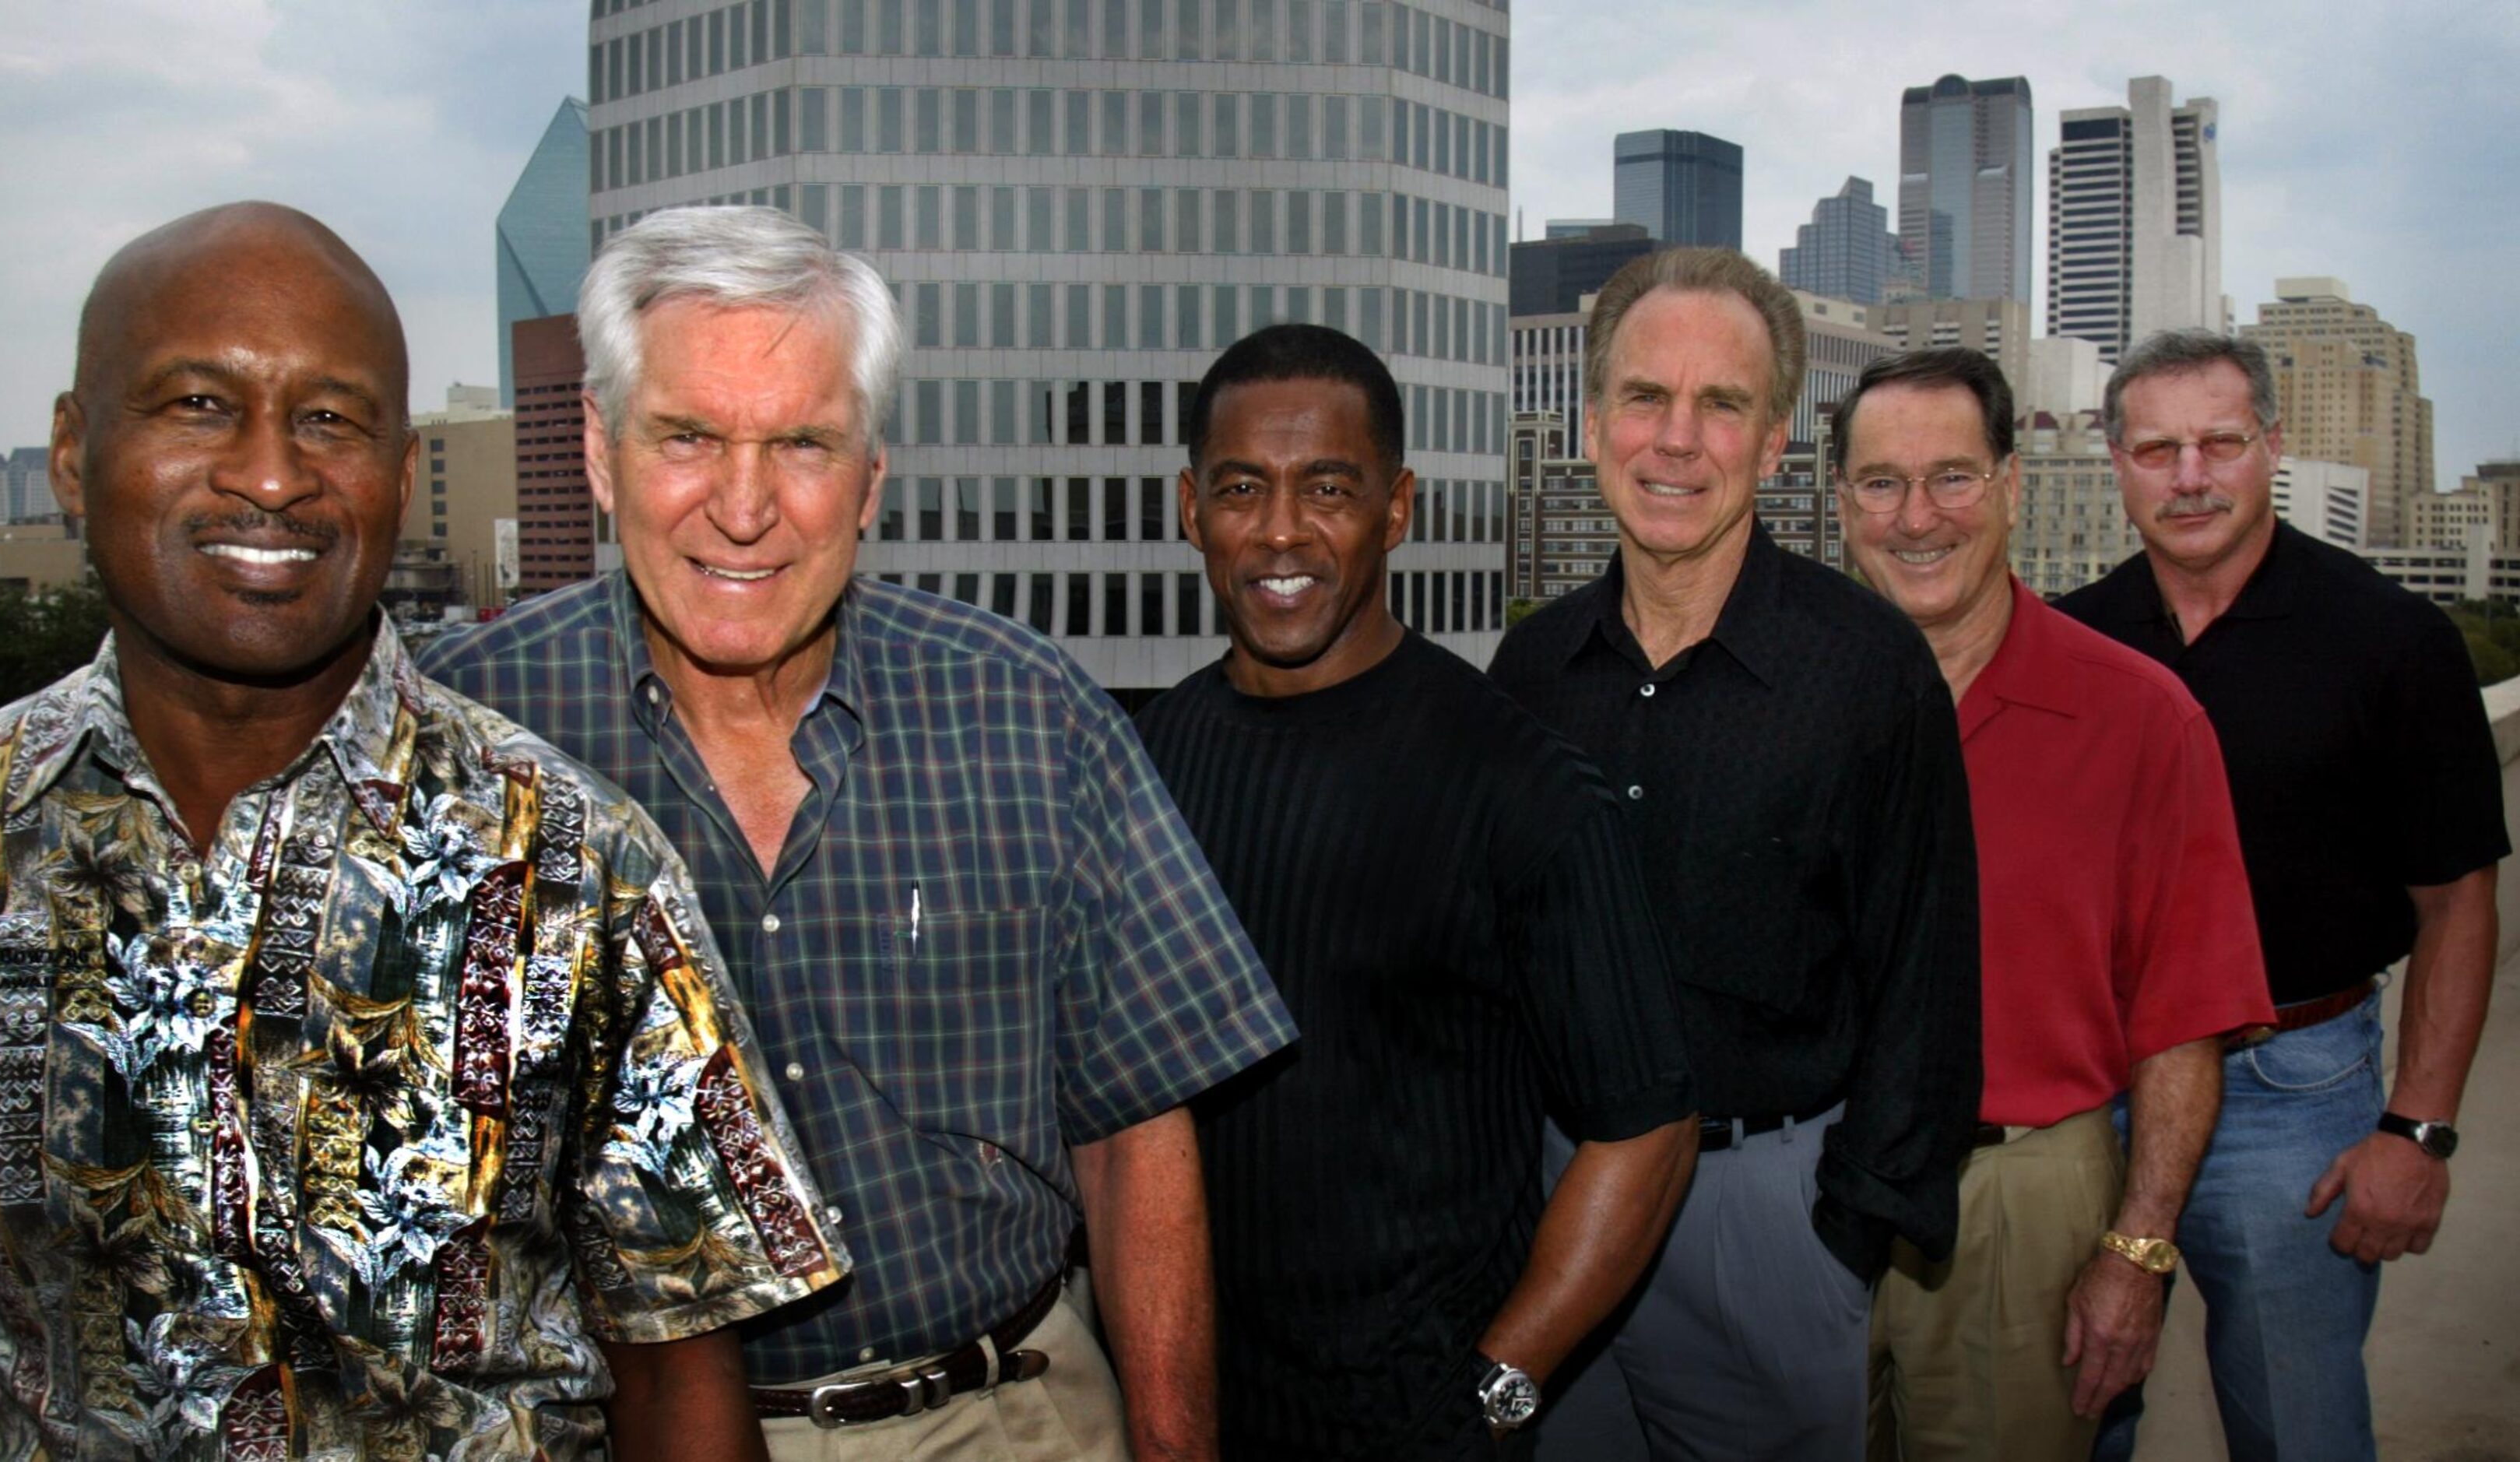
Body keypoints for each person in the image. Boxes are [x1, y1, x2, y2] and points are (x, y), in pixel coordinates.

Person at [420, 206, 1295, 1462]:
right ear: (603, 455)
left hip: (1009, 1413)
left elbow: (1137, 1132)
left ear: (871, 479)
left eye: (802, 444)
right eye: (687, 437)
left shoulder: (1028, 708)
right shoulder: (464, 739)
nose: (742, 505)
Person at [0, 202, 842, 1460]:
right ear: (72, 451)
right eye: (198, 405)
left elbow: (680, 1381)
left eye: (329, 419)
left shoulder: (574, 864)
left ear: (399, 475)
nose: (272, 475)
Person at [1133, 324, 1699, 1458]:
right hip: (1181, 1399)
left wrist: (1495, 1391)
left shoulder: (1520, 785)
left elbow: (1648, 1127)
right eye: (1243, 489)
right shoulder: (1145, 757)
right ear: (1191, 510)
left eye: (1327, 488)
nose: (1281, 530)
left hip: (1411, 1421)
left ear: (1396, 511)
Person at [1487, 248, 1981, 1460]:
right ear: (1592, 422)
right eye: (1646, 397)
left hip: (1765, 1215)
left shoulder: (1865, 672)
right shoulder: (1532, 670)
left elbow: (1927, 971)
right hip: (1556, 1199)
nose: (1675, 439)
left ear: (1772, 444)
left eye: (1722, 405)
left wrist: (1840, 1233)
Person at [2059, 330, 2506, 1462]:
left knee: (2297, 1427)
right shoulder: (2067, 641)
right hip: (2092, 1086)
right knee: (2069, 1418)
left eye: (2218, 442)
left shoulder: (2391, 639)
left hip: (2294, 1084)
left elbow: (2456, 898)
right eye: (2156, 449)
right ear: (2114, 460)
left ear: (2271, 445)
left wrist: (2416, 1128)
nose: (2189, 475)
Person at [1829, 347, 2274, 1460]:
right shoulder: (1783, 705)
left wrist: (2135, 1252)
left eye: (1953, 477)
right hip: (1804, 1192)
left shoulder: (2139, 716)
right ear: (1838, 501)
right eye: (1881, 482)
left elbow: (2185, 1013)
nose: (1916, 516)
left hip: (2019, 1197)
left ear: (2013, 484)